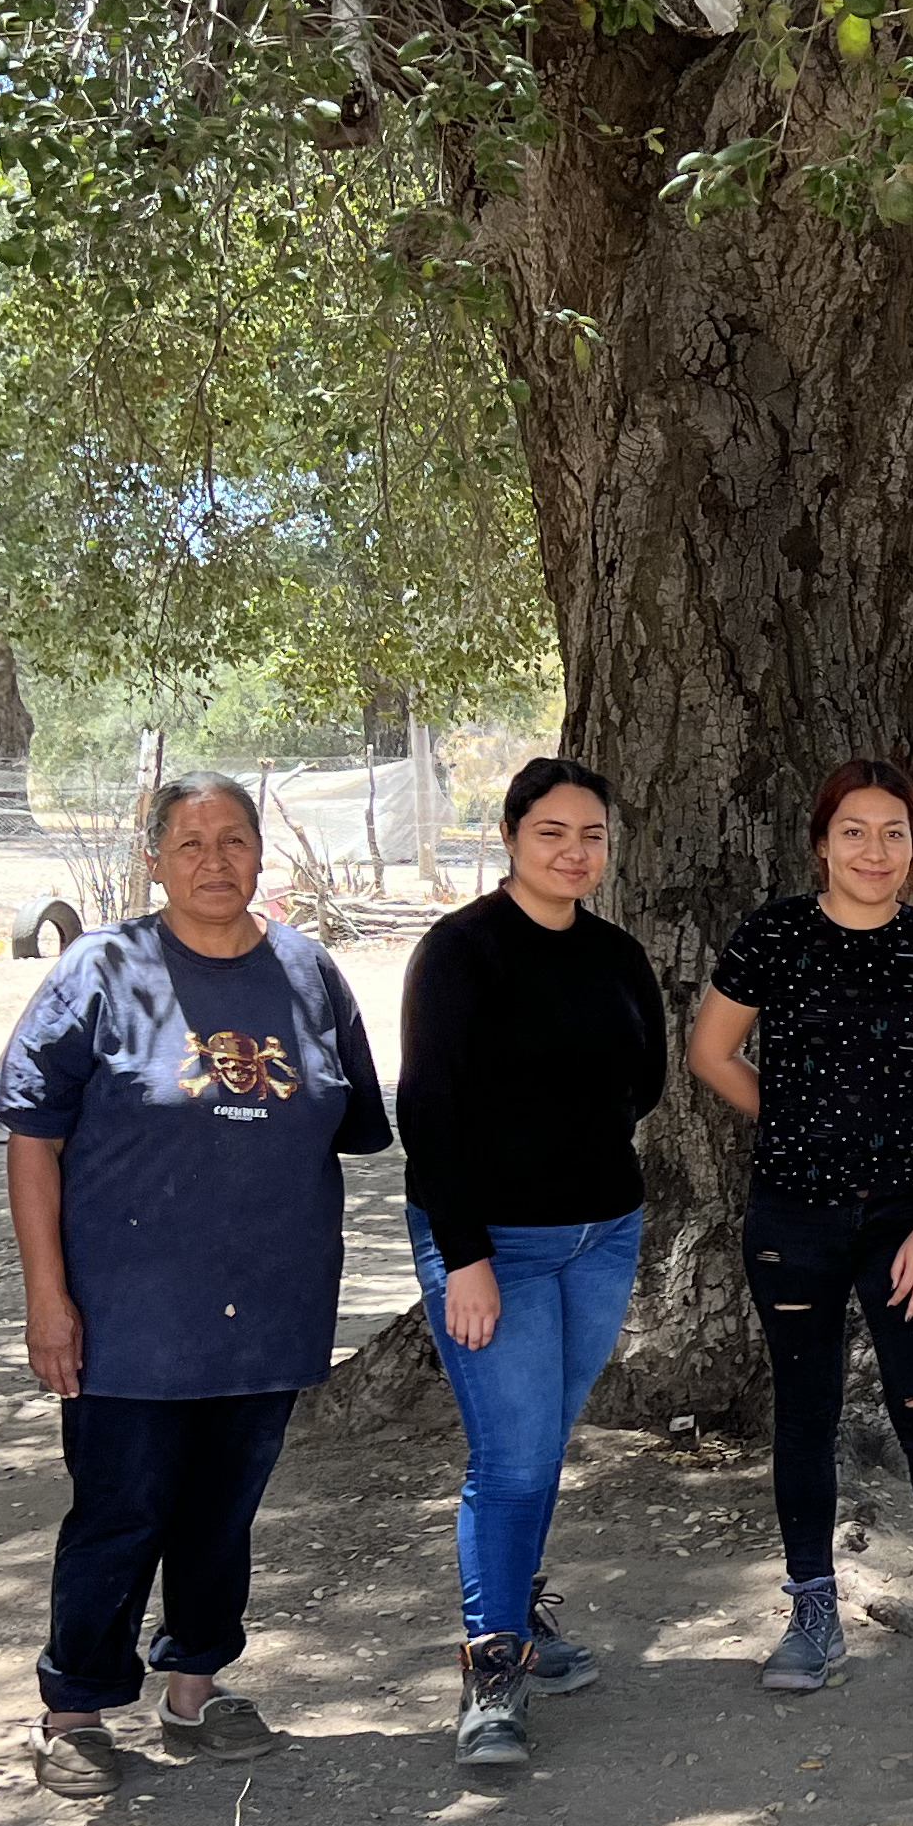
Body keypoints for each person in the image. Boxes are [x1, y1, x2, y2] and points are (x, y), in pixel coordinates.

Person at [0, 773, 392, 1797]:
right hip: (131, 1309)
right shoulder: (100, 971)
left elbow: (342, 1124)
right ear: (154, 859)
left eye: (235, 840)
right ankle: (76, 1705)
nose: (215, 861)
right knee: (120, 1507)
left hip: (267, 1302)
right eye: (190, 842)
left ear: (264, 855)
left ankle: (196, 1684)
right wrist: (48, 1297)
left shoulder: (309, 974)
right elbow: (34, 1138)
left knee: (223, 1508)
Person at [689, 759, 913, 1707]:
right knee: (806, 1413)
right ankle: (811, 1612)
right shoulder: (774, 936)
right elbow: (710, 1050)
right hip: (794, 1219)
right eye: (855, 832)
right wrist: (786, 1124)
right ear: (821, 843)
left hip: (906, 1221)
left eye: (896, 833)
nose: (876, 850)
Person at [398, 758, 666, 1768]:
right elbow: (428, 1111)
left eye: (592, 835)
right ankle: (492, 1669)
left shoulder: (618, 955)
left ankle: (519, 1611)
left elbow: (642, 1084)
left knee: (542, 1446)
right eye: (553, 832)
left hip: (602, 1239)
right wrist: (464, 1257)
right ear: (511, 836)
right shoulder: (460, 953)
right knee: (510, 1461)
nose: (574, 852)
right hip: (491, 1245)